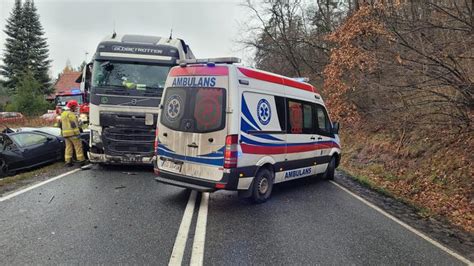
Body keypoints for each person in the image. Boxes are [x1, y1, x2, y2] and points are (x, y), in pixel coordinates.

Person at [58, 100, 85, 167]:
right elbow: (74, 124)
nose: (76, 108)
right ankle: (81, 161)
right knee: (78, 147)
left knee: (68, 148)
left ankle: (68, 162)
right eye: (75, 107)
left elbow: (60, 124)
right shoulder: (71, 114)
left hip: (65, 134)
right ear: (72, 107)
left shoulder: (63, 114)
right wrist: (78, 131)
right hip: (73, 134)